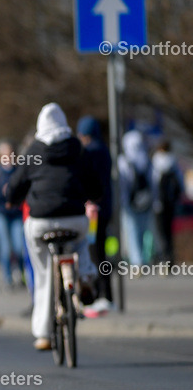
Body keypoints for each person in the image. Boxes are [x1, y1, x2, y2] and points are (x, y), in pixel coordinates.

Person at [6, 103, 100, 351]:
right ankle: (85, 275)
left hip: (41, 221)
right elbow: (94, 183)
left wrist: (11, 199)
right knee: (81, 241)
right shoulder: (77, 148)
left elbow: (16, 185)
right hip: (74, 217)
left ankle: (44, 334)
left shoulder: (33, 150)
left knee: (44, 272)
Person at [76, 117, 113, 312]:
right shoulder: (103, 150)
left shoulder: (90, 152)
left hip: (93, 212)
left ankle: (103, 294)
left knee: (95, 254)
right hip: (103, 209)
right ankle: (106, 294)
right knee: (100, 252)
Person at [0, 141, 26, 290]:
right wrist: (2, 197)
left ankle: (20, 274)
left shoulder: (18, 171)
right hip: (0, 213)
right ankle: (8, 278)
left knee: (19, 246)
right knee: (6, 247)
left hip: (15, 213)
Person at [118, 129, 153, 266]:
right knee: (144, 232)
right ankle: (145, 260)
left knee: (132, 232)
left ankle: (136, 261)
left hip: (130, 202)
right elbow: (152, 182)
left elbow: (122, 184)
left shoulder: (124, 160)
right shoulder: (146, 159)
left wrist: (123, 202)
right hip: (146, 201)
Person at [152, 140, 183, 264]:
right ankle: (170, 257)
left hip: (159, 202)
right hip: (171, 202)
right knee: (169, 231)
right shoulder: (174, 162)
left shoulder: (155, 162)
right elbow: (180, 183)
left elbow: (153, 183)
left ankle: (163, 257)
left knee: (160, 232)